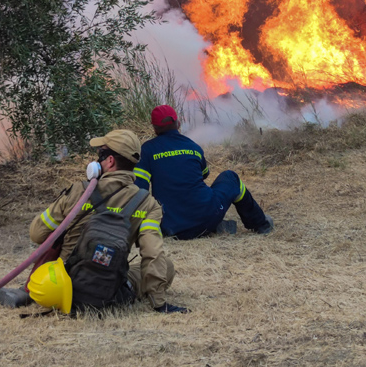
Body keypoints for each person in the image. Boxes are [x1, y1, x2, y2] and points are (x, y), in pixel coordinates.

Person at [28, 129, 188, 314]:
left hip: (62, 286)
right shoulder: (147, 204)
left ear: (110, 161)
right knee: (165, 266)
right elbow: (152, 252)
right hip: (109, 288)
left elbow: (37, 234)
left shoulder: (78, 191)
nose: (97, 161)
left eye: (100, 155)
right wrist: (158, 302)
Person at [134, 105, 273, 239]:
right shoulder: (193, 147)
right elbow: (204, 174)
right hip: (207, 218)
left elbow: (140, 190)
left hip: (170, 226)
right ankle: (261, 224)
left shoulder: (146, 150)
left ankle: (212, 226)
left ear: (154, 129)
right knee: (231, 178)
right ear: (178, 123)